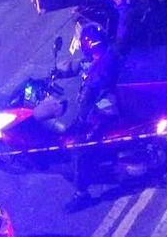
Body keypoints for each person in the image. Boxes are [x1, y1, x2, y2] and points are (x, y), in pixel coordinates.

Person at [51, 22, 124, 211]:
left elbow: (87, 100)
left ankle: (82, 194)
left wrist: (80, 123)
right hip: (105, 102)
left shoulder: (98, 74)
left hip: (106, 111)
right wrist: (61, 72)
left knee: (81, 151)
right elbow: (84, 65)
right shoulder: (106, 54)